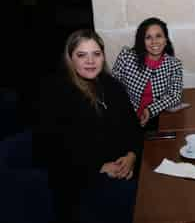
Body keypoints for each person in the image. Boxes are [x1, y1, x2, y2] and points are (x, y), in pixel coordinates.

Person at [34, 30, 143, 223]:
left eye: (96, 54)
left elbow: (133, 129)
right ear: (70, 59)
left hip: (122, 170)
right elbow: (50, 151)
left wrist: (131, 156)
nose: (90, 61)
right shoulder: (56, 94)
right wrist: (100, 167)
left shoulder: (113, 87)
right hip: (80, 181)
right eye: (82, 55)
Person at [112, 17, 183, 130]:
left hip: (156, 117)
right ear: (142, 41)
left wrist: (150, 110)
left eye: (158, 36)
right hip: (125, 116)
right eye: (148, 37)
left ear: (166, 40)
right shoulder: (126, 56)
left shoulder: (174, 64)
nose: (154, 42)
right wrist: (126, 113)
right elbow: (113, 88)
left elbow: (175, 96)